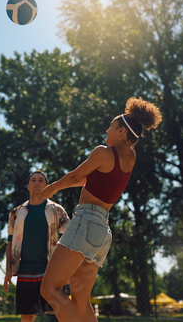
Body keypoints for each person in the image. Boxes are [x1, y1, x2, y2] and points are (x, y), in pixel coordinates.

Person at [39, 97, 162, 322]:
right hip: (102, 231)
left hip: (85, 222)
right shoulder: (130, 158)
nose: (107, 130)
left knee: (49, 289)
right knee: (81, 298)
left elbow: (77, 175)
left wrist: (52, 189)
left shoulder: (103, 152)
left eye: (112, 127)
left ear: (122, 132)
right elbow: (89, 180)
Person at [4, 170, 70, 322]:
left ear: (47, 186)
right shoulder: (16, 213)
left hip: (51, 270)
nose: (36, 182)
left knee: (57, 313)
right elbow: (10, 242)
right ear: (28, 186)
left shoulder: (57, 210)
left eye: (41, 180)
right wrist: (8, 270)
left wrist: (69, 271)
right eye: (33, 180)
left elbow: (70, 239)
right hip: (25, 270)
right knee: (27, 315)